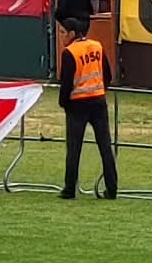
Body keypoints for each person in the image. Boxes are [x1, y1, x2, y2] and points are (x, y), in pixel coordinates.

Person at [58, 17, 117, 201]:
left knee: (74, 148)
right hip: (98, 101)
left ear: (72, 33)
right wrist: (100, 90)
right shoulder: (97, 46)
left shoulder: (70, 52)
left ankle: (69, 189)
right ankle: (112, 189)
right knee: (105, 146)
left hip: (77, 104)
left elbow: (66, 83)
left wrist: (64, 103)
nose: (61, 36)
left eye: (63, 32)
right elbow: (107, 75)